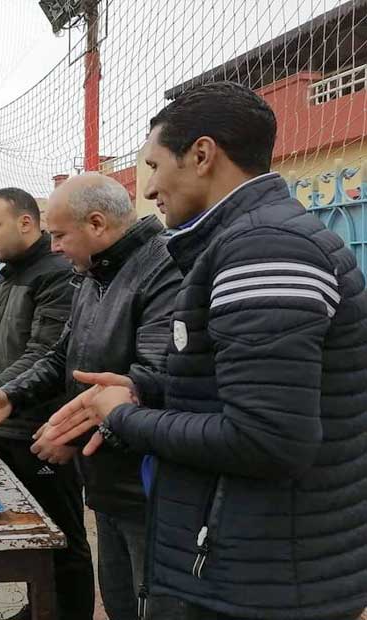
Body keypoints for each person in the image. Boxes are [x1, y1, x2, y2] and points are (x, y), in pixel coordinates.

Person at [41, 82, 367, 620]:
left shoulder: (264, 249)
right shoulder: (242, 241)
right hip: (255, 564)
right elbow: (234, 386)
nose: (148, 191)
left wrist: (123, 416)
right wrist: (144, 387)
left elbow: (267, 438)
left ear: (201, 155)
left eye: (154, 165)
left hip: (270, 579)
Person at [0, 175, 182, 619]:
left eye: (59, 235)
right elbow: (62, 356)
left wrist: (74, 433)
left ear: (96, 224)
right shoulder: (94, 275)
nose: (55, 246)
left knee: (152, 602)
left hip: (146, 482)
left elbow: (152, 381)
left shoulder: (161, 270)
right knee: (119, 601)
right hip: (106, 479)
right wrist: (8, 395)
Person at [0, 187, 92, 620]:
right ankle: (40, 609)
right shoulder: (5, 277)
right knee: (33, 539)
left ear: (26, 222)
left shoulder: (57, 274)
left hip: (42, 431)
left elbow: (43, 355)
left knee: (62, 539)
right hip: (6, 427)